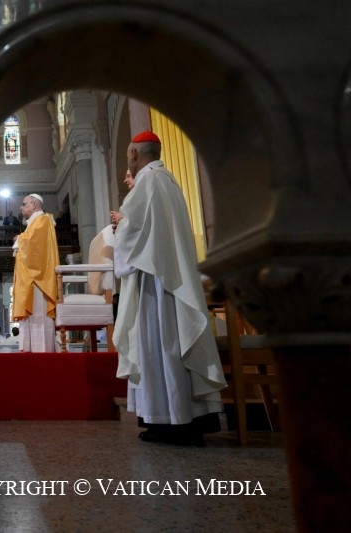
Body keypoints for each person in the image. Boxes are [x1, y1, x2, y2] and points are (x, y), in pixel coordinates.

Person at [112, 131, 226, 446]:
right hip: (171, 278)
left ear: (134, 154)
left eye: (127, 156)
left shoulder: (148, 183)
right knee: (172, 348)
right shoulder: (169, 181)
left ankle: (172, 422)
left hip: (155, 284)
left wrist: (119, 223)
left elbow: (132, 235)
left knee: (159, 348)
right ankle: (181, 418)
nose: (128, 162)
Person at [11, 193, 59, 352]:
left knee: (39, 313)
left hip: (39, 279)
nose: (21, 207)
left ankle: (41, 351)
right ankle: (30, 349)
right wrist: (22, 238)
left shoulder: (43, 220)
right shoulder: (34, 222)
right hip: (30, 278)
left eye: (24, 204)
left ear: (34, 205)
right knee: (30, 314)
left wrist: (20, 238)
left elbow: (35, 248)